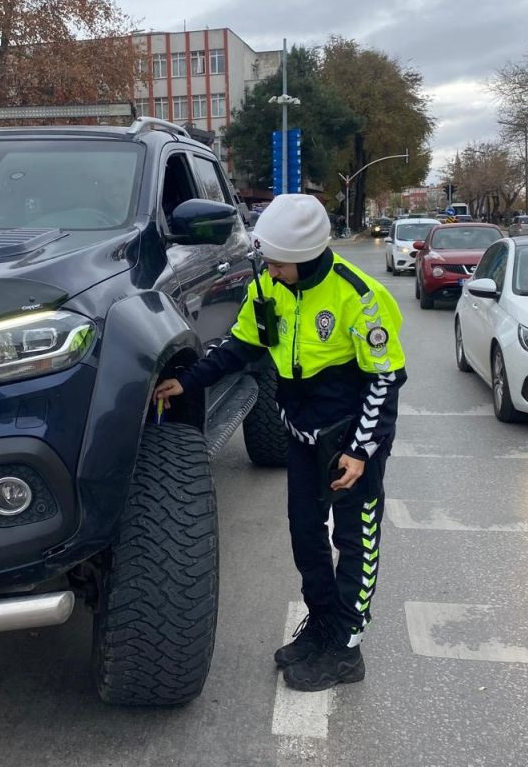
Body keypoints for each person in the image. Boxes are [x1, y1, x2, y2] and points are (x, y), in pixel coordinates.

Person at [152, 194, 407, 692]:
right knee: (305, 537)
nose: (268, 269)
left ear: (307, 254)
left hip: (349, 440)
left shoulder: (360, 296)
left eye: (277, 261)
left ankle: (346, 648)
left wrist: (361, 450)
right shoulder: (269, 288)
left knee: (356, 542)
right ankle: (322, 624)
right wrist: (190, 380)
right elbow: (242, 344)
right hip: (301, 434)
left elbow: (385, 380)